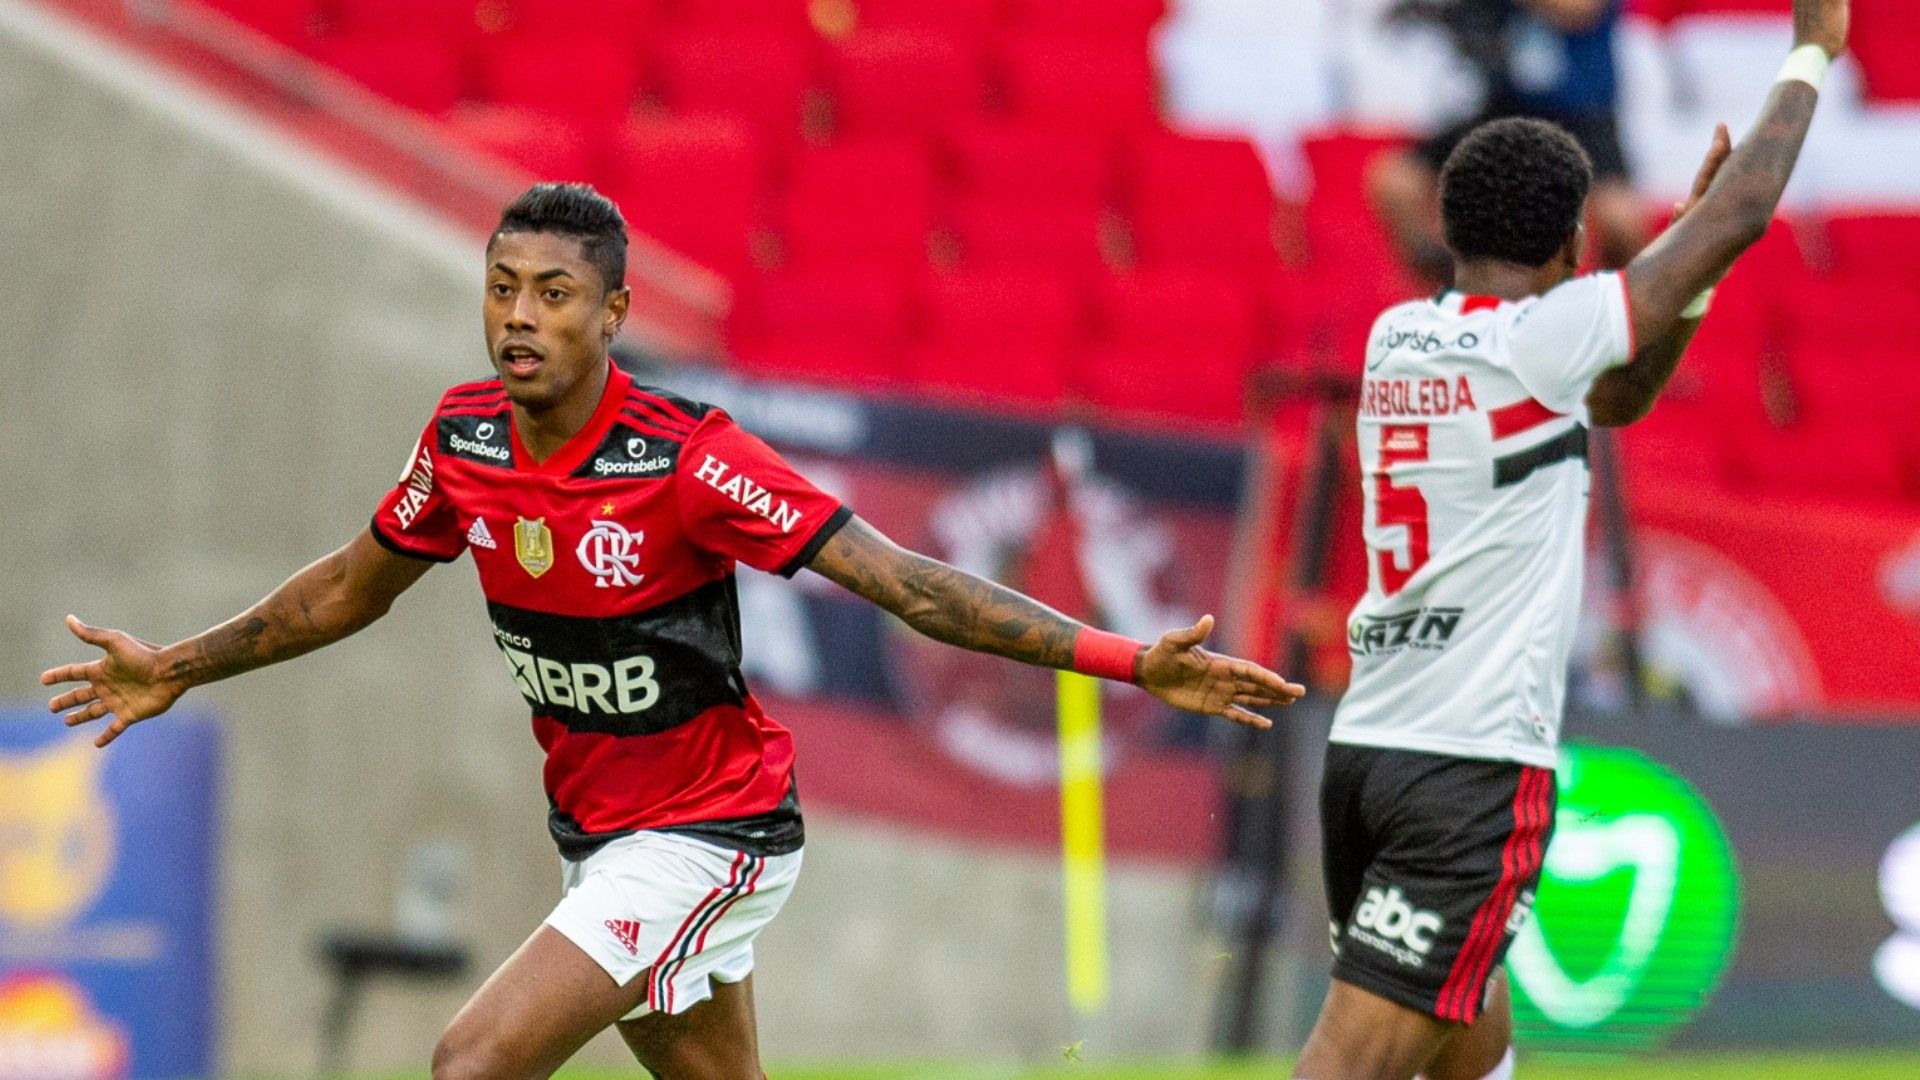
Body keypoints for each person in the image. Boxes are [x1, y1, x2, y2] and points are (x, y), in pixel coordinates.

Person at [39, 184, 1307, 1080]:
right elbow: (346, 591)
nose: (518, 317)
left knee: (471, 1060)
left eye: (551, 293)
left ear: (613, 313)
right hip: (603, 837)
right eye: (500, 290)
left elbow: (906, 583)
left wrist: (1125, 658)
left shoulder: (686, 461)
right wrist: (180, 664)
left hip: (712, 833)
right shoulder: (466, 439)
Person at [1297, 0, 1847, 1074]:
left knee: (1465, 1033)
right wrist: (1812, 54)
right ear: (1570, 241)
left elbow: (1624, 399)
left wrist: (1685, 284)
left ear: (1449, 231)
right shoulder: (1540, 341)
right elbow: (1737, 213)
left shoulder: (1403, 336)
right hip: (1467, 767)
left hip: (1368, 753)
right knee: (1350, 1058)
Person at [1369, 0, 1649, 287]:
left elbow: (1578, 9)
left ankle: (1625, 316)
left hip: (1581, 116)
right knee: (1397, 183)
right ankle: (1455, 299)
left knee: (1620, 221)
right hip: (1503, 109)